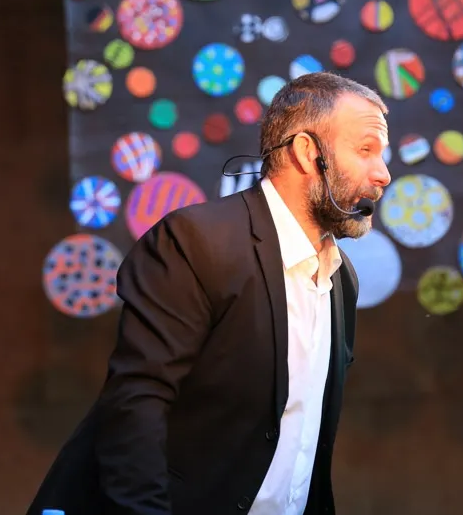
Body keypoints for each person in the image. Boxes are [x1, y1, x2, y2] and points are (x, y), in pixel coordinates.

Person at [26, 72, 392, 515]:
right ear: (306, 151)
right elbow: (137, 403)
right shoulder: (197, 240)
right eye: (366, 150)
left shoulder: (341, 277)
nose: (383, 174)